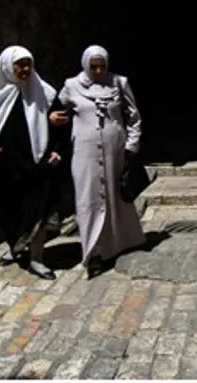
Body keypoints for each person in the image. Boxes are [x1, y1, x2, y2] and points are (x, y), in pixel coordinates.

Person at [0, 46, 67, 280]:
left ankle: (37, 258)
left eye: (28, 64)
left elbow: (64, 124)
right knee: (11, 213)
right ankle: (16, 248)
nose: (25, 69)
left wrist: (57, 150)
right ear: (6, 67)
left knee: (38, 211)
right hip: (4, 170)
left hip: (37, 166)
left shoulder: (44, 93)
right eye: (19, 65)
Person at [49, 45, 146, 279]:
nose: (99, 71)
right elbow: (57, 110)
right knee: (87, 199)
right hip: (84, 153)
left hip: (115, 151)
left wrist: (132, 144)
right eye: (94, 67)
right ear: (85, 64)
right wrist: (52, 118)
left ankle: (118, 244)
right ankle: (93, 252)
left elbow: (133, 116)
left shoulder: (119, 83)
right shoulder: (71, 86)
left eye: (102, 66)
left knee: (115, 198)